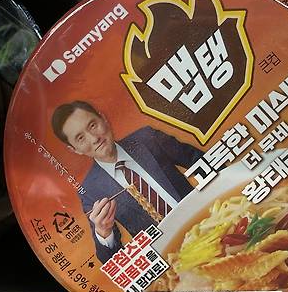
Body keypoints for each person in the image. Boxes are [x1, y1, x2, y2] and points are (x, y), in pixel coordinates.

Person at [51, 100, 203, 263]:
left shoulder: (148, 138)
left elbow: (200, 160)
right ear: (75, 149)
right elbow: (109, 259)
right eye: (81, 138)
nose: (94, 138)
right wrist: (103, 233)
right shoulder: (90, 192)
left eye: (93, 125)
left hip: (205, 216)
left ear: (103, 119)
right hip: (173, 257)